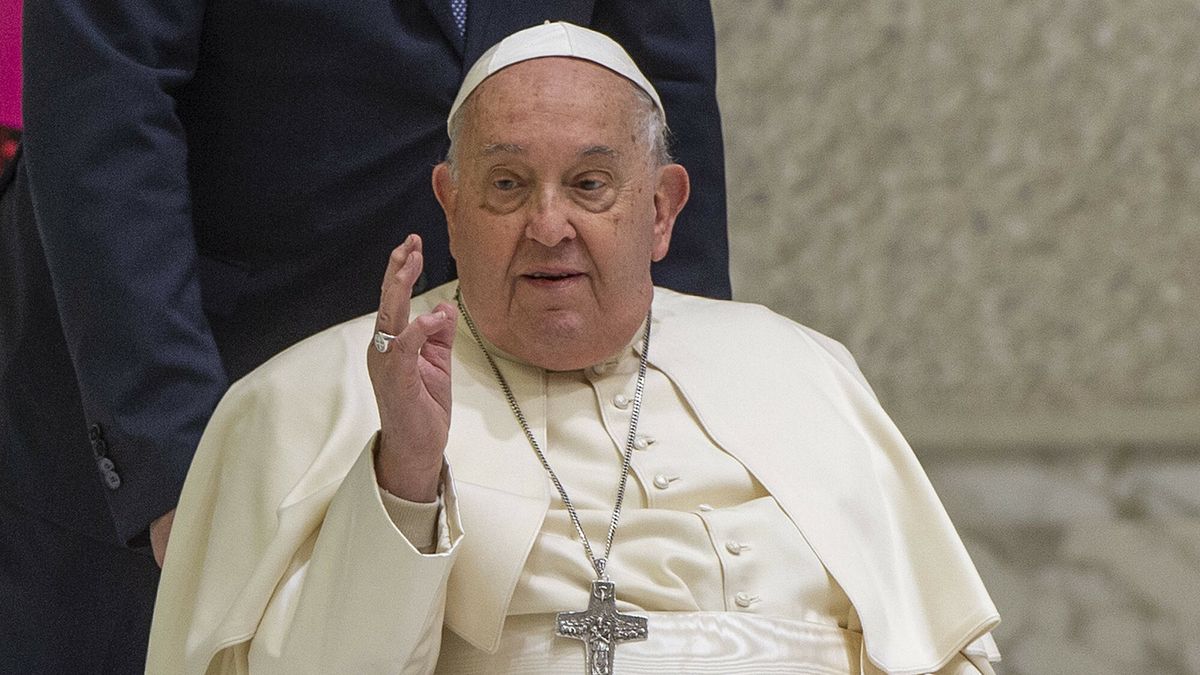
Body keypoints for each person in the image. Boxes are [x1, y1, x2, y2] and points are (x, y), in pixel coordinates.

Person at [148, 22, 1000, 674]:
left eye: (590, 185)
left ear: (663, 208)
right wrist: (402, 480)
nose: (548, 226)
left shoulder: (803, 368)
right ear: (450, 205)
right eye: (508, 185)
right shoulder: (310, 396)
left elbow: (946, 646)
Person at [0, 2, 728, 672]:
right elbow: (105, 98)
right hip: (197, 408)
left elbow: (661, 85)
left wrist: (681, 397)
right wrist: (180, 466)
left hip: (515, 436)